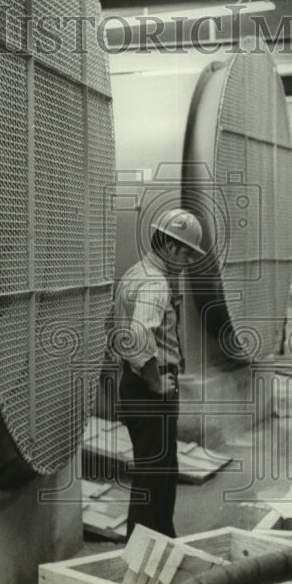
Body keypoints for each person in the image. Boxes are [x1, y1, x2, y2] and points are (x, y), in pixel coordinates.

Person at [107, 207, 205, 538]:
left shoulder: (136, 273)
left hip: (136, 386)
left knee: (160, 472)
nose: (189, 261)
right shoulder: (155, 283)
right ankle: (143, 556)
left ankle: (161, 545)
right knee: (155, 476)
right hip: (149, 389)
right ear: (172, 246)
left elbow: (118, 329)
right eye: (188, 253)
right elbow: (138, 336)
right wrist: (154, 380)